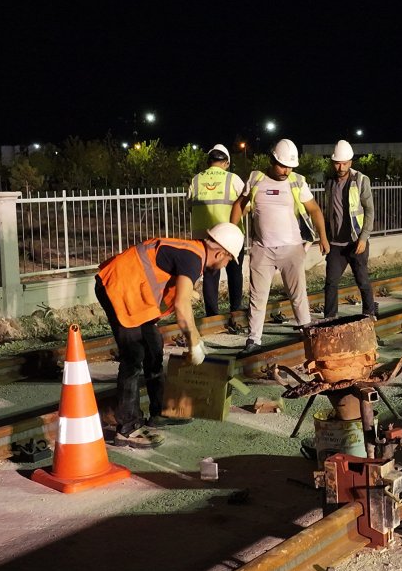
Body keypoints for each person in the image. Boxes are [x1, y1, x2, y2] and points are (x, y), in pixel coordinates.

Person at [94, 223, 245, 447]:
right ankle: (127, 428)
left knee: (153, 346)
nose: (226, 264)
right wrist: (194, 341)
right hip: (118, 289)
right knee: (133, 356)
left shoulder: (192, 254)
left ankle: (160, 411)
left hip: (133, 294)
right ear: (220, 252)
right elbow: (182, 306)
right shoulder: (193, 258)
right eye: (228, 260)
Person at [229, 138, 329, 354]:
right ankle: (253, 340)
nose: (286, 170)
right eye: (282, 165)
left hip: (291, 249)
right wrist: (232, 233)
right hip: (262, 249)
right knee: (257, 297)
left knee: (298, 294)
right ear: (271, 159)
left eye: (290, 166)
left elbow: (315, 210)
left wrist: (323, 237)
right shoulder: (256, 178)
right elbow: (239, 205)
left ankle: (307, 332)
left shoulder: (297, 181)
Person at [188, 144, 246, 324]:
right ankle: (235, 311)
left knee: (210, 276)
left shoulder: (196, 180)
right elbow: (246, 206)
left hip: (203, 238)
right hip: (229, 235)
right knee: (234, 272)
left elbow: (190, 206)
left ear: (208, 162)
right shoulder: (233, 179)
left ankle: (212, 316)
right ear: (227, 163)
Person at [321, 139, 376, 319]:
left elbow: (369, 210)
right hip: (335, 243)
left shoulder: (361, 180)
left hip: (356, 241)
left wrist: (363, 238)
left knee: (362, 280)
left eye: (344, 163)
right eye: (337, 163)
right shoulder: (329, 182)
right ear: (333, 163)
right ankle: (329, 318)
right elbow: (328, 211)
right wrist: (324, 238)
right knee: (331, 283)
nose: (340, 167)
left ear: (350, 162)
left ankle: (369, 314)